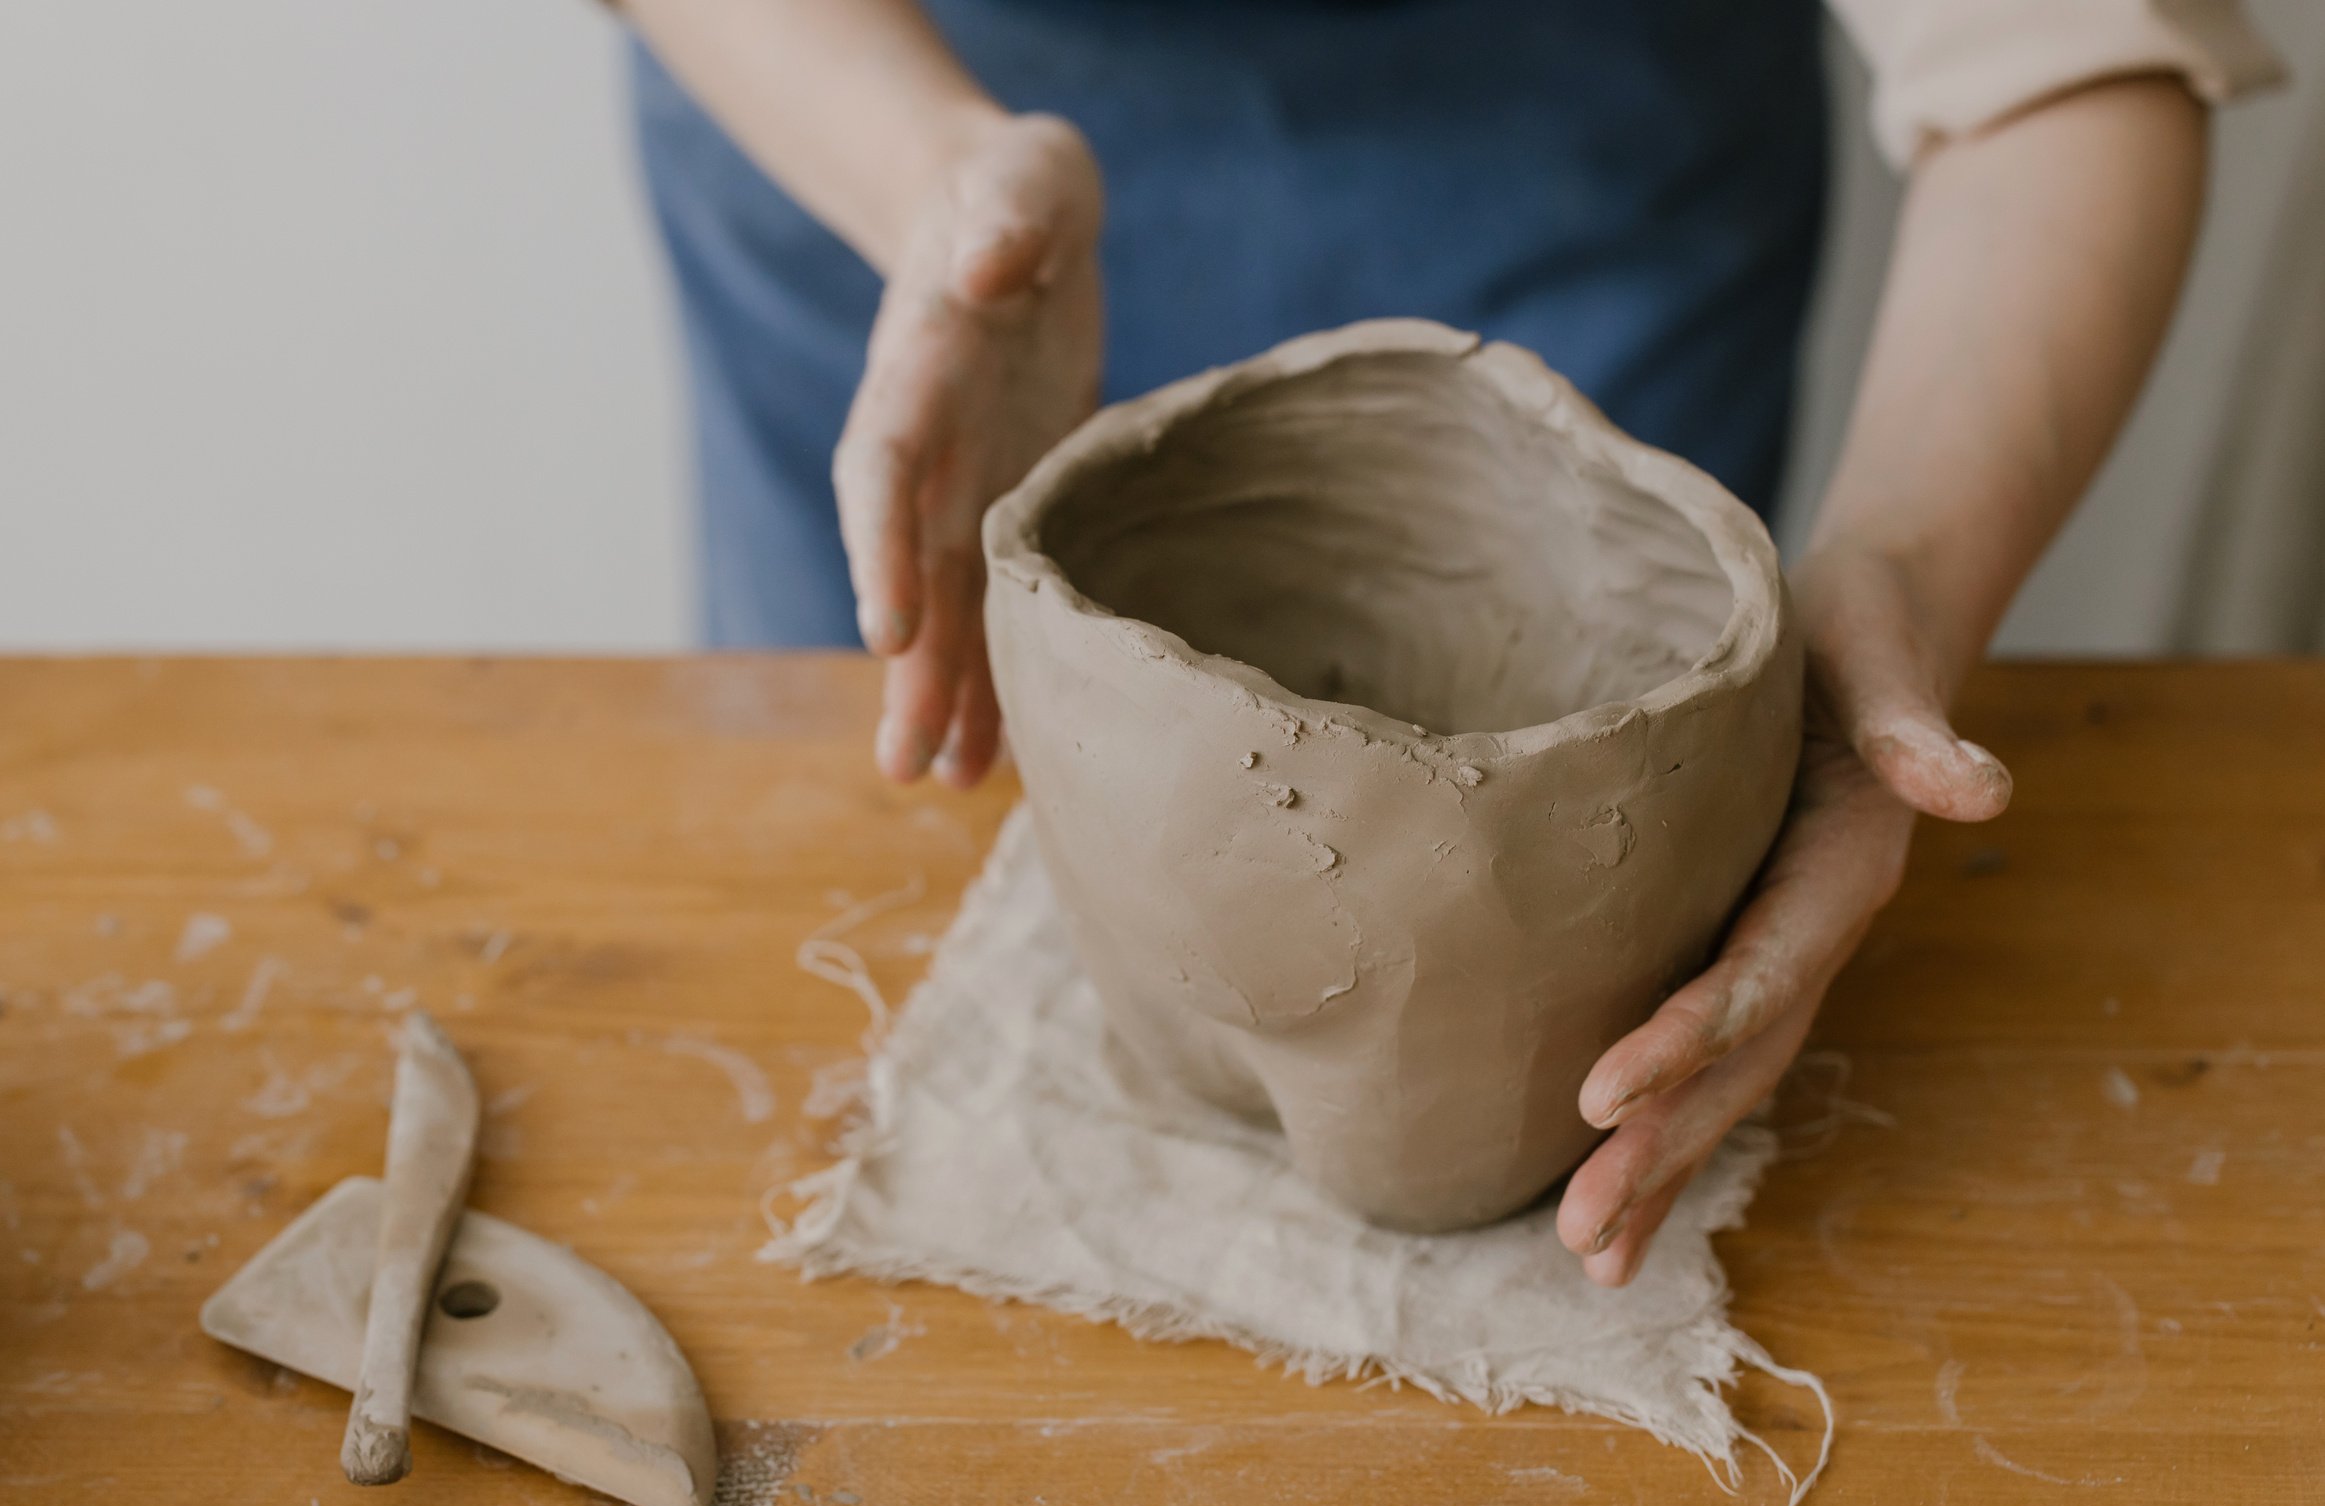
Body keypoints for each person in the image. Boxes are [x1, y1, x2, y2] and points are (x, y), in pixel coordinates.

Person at [616, 0, 2281, 1285]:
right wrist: (933, 184)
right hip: (920, 190)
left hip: (1583, 174)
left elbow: (2063, 55)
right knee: (879, 848)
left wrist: (1900, 584)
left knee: (1527, 983)